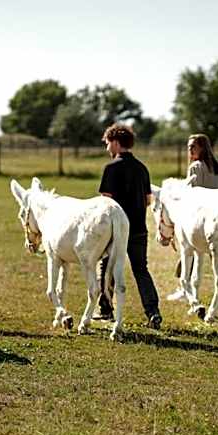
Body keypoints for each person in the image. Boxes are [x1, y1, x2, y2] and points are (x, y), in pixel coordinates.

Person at [95, 124, 162, 329]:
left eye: (107, 143)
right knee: (141, 270)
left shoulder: (111, 168)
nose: (107, 148)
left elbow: (105, 202)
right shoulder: (142, 168)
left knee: (107, 267)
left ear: (115, 142)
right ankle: (153, 312)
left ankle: (106, 310)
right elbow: (149, 200)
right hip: (139, 229)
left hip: (115, 231)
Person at [167, 133, 218, 307]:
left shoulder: (195, 167)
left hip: (200, 217)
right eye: (188, 146)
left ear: (202, 148)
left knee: (188, 248)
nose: (189, 149)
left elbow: (192, 195)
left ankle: (185, 289)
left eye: (193, 146)